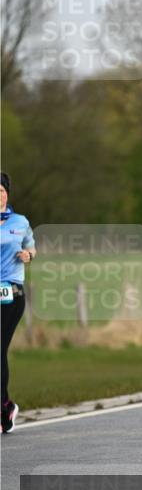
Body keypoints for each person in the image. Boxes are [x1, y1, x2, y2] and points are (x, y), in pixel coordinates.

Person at [0, 172, 35, 434]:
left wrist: (28, 255)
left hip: (11, 292)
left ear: (7, 193)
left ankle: (3, 408)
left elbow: (32, 248)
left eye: (1, 190)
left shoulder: (19, 222)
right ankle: (6, 407)